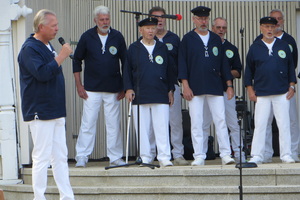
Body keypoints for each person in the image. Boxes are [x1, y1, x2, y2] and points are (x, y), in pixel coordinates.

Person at [18, 9, 75, 200]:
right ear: (41, 27)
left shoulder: (47, 45)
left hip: (56, 109)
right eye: (53, 26)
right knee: (41, 157)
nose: (57, 29)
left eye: (57, 25)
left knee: (60, 156)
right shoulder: (29, 49)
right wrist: (61, 56)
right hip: (39, 110)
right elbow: (41, 73)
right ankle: (39, 197)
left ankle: (67, 196)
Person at [178, 6, 235, 166]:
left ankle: (225, 154)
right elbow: (182, 64)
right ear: (194, 19)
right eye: (200, 18)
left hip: (215, 86)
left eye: (205, 19)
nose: (203, 21)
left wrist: (229, 85)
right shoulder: (188, 39)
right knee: (196, 122)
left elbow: (224, 64)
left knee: (220, 120)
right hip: (195, 87)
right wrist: (185, 85)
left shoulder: (215, 39)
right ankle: (199, 156)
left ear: (208, 20)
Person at [73, 5, 127, 167]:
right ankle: (82, 156)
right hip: (91, 89)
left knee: (113, 124)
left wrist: (125, 86)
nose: (105, 22)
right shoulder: (87, 36)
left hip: (113, 89)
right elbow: (77, 60)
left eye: (107, 19)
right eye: (102, 19)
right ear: (95, 20)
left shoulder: (117, 36)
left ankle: (115, 157)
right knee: (88, 122)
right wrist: (79, 85)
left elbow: (125, 62)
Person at [123, 17, 175, 167]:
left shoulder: (162, 47)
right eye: (147, 28)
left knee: (162, 126)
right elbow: (126, 70)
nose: (151, 31)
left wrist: (170, 89)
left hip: (160, 92)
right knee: (142, 127)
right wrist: (128, 88)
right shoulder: (134, 48)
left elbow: (169, 70)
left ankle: (164, 156)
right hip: (140, 93)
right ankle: (146, 156)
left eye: (153, 28)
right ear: (141, 30)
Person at [245, 17, 296, 164]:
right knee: (260, 124)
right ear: (261, 27)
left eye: (272, 27)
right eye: (266, 27)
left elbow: (290, 67)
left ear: (276, 28)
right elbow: (249, 70)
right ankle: (257, 155)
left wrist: (292, 85)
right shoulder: (255, 47)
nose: (269, 30)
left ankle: (286, 154)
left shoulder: (284, 46)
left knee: (284, 123)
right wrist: (250, 89)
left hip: (281, 91)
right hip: (262, 92)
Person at [148, 6, 189, 166]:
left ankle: (177, 154)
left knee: (175, 121)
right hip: (152, 87)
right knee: (152, 123)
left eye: (162, 17)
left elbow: (181, 62)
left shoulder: (174, 38)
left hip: (172, 85)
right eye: (156, 17)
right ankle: (151, 154)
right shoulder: (146, 39)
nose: (159, 20)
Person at [202, 17, 244, 163]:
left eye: (224, 28)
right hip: (207, 90)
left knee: (232, 123)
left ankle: (239, 155)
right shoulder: (205, 44)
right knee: (204, 124)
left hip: (226, 91)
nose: (221, 30)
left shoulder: (231, 48)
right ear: (213, 28)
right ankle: (201, 156)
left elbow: (238, 72)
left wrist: (224, 73)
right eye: (218, 27)